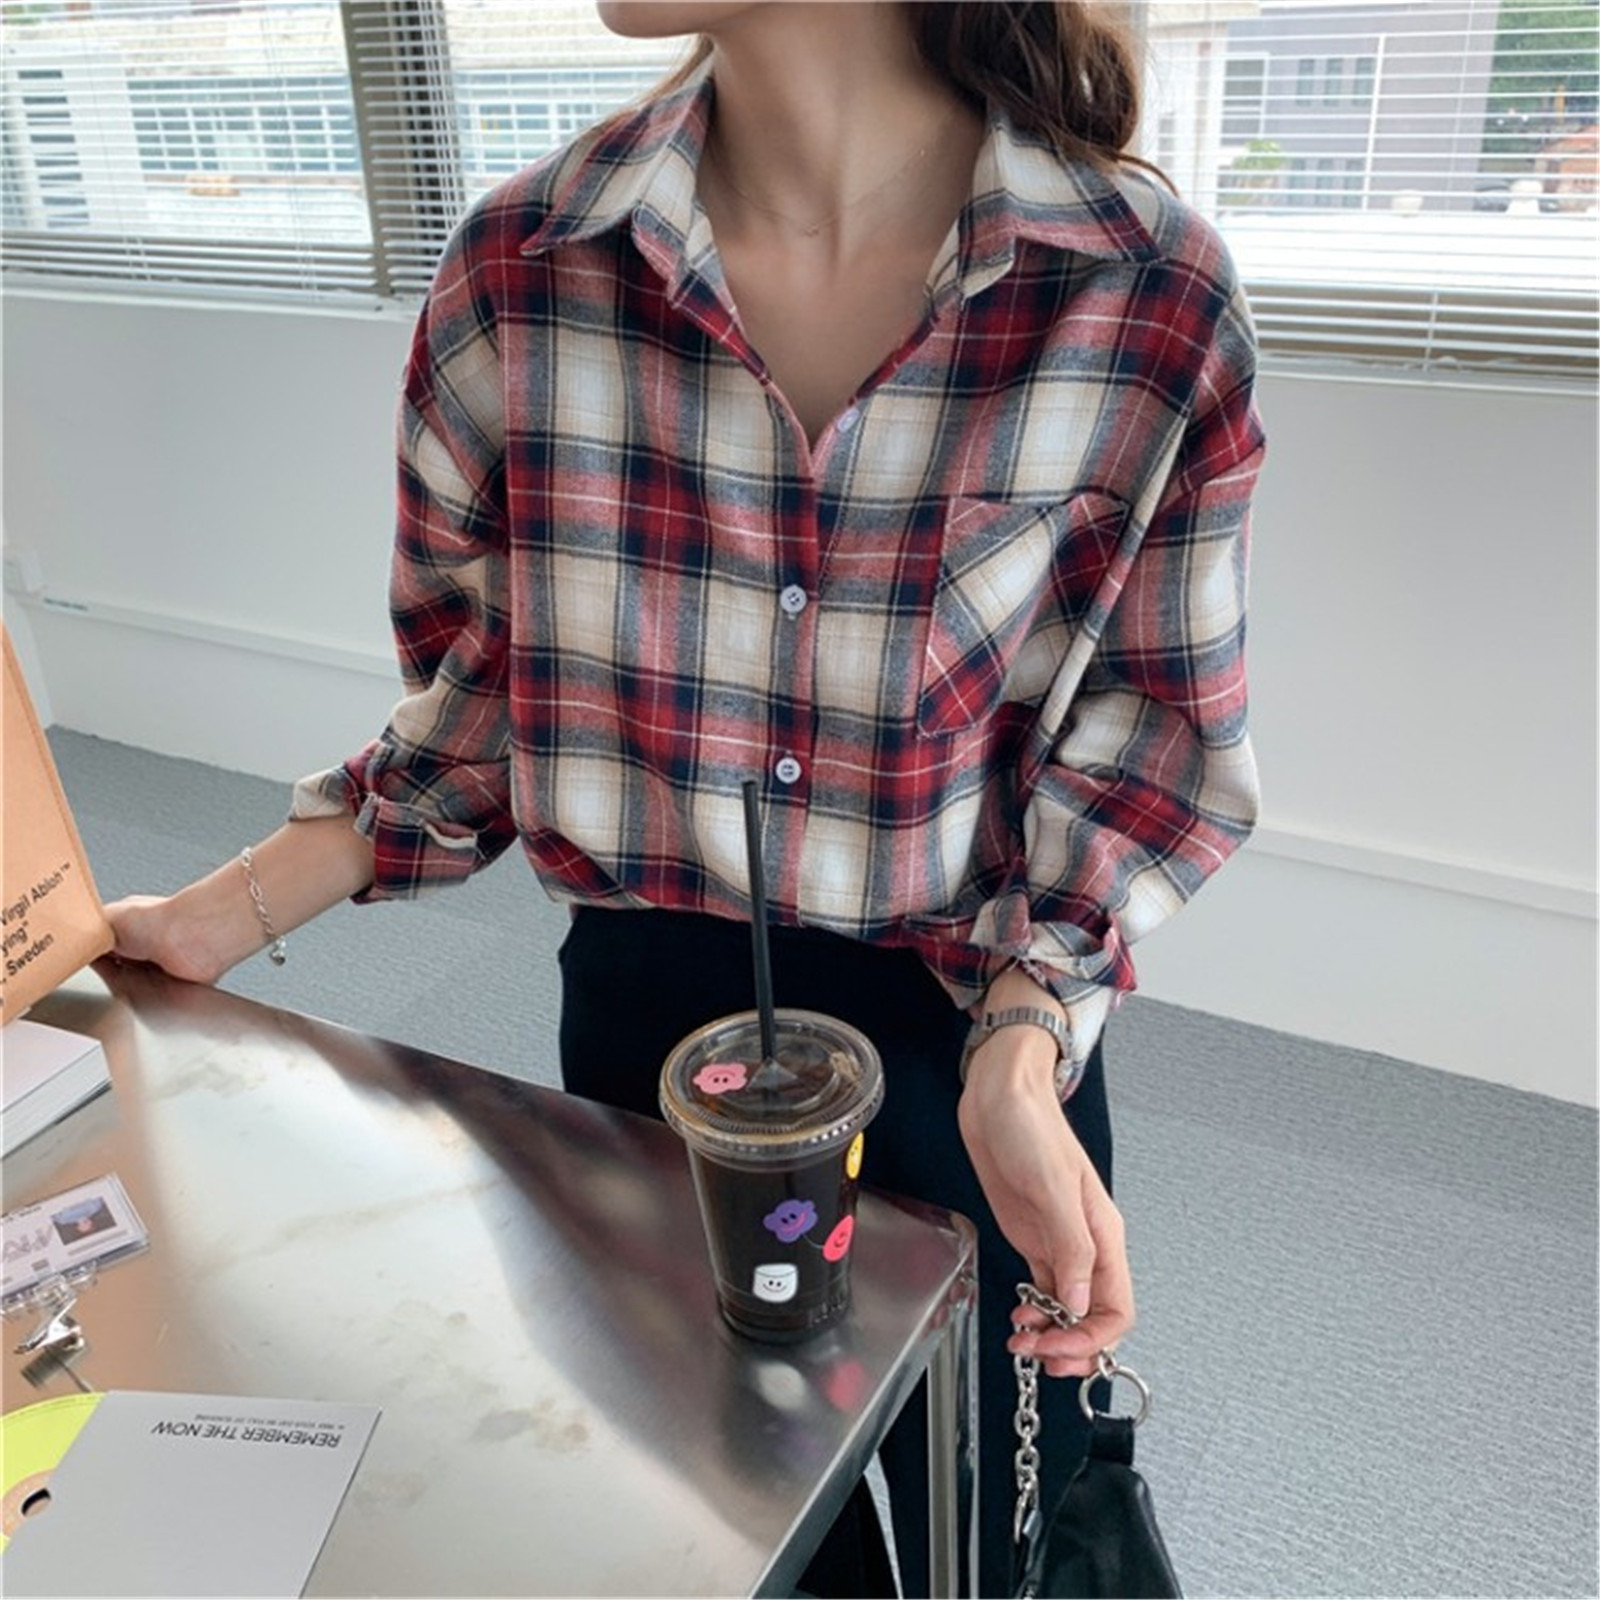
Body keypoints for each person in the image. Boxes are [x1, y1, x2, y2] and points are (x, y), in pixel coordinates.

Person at [107, 2, 1267, 1593]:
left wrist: (1021, 1048)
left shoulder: (1143, 291)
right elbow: (485, 708)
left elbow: (1147, 742)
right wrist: (213, 917)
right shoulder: (523, 268)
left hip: (974, 1045)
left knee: (999, 1522)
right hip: (651, 1042)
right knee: (724, 1525)